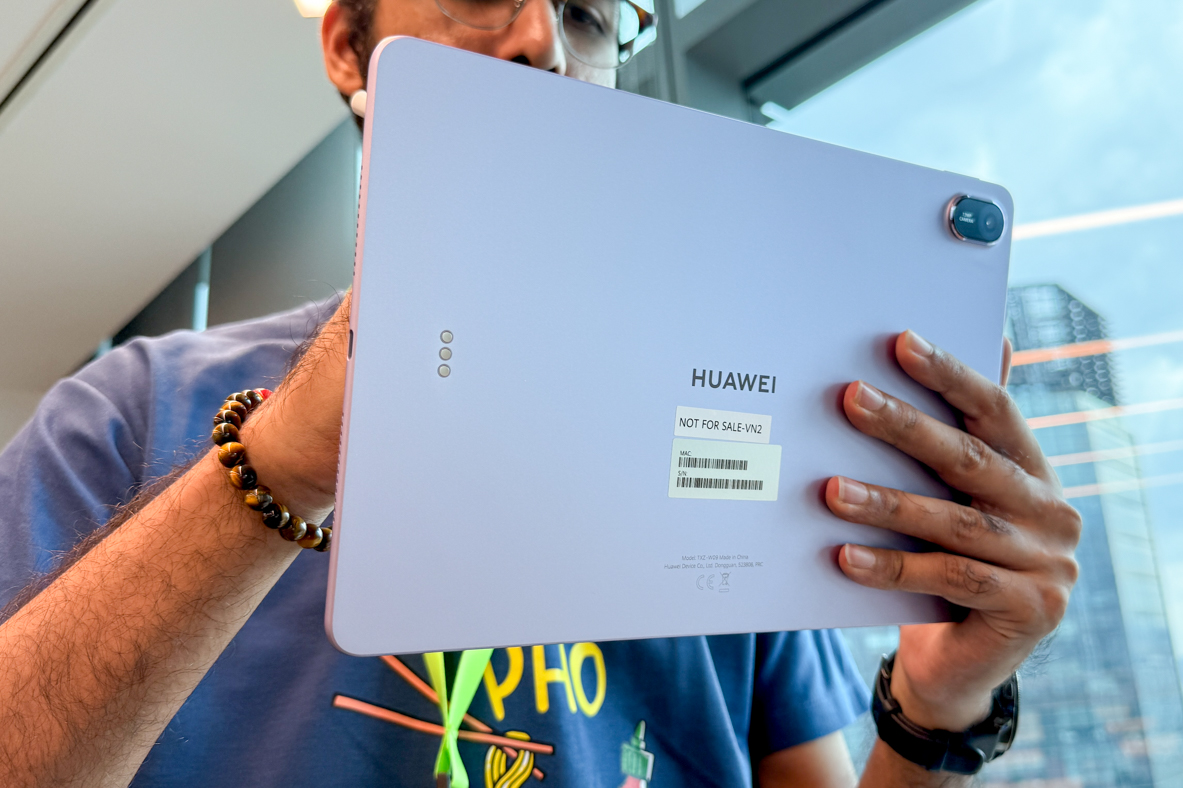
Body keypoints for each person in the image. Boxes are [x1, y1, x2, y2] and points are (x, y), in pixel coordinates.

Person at [0, 1, 1081, 786]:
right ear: (347, 48)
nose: (541, 41)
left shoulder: (747, 460)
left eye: (588, 14)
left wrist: (935, 707)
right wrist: (279, 461)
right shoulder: (129, 412)